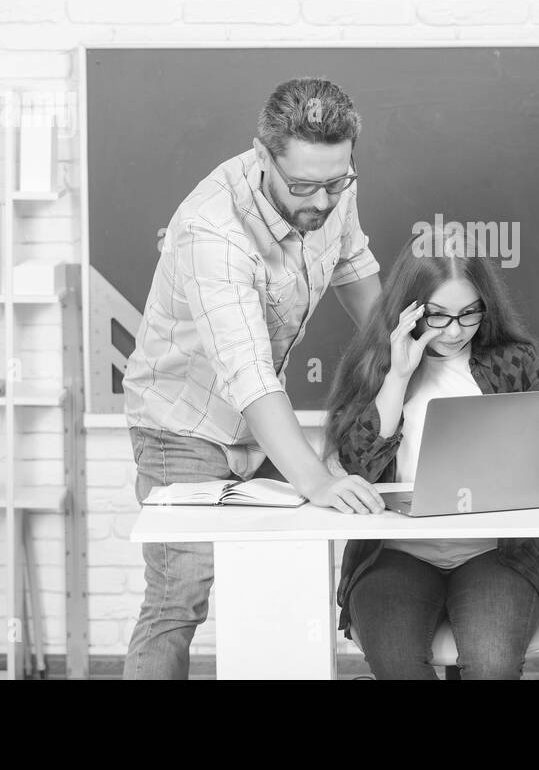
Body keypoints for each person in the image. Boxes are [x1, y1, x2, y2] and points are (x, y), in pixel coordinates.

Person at [122, 77, 387, 680]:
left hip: (261, 418)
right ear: (263, 155)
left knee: (285, 579)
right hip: (180, 424)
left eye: (336, 182)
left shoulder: (330, 180)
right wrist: (317, 480)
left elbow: (352, 261)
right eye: (302, 187)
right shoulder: (211, 232)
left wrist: (401, 359)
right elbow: (247, 373)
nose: (321, 202)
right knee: (178, 597)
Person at [324, 236, 539, 680]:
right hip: (395, 553)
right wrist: (398, 376)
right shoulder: (375, 364)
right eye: (438, 316)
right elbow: (357, 469)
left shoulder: (513, 361)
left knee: (492, 665)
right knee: (398, 665)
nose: (455, 331)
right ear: (410, 309)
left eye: (469, 313)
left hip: (496, 553)